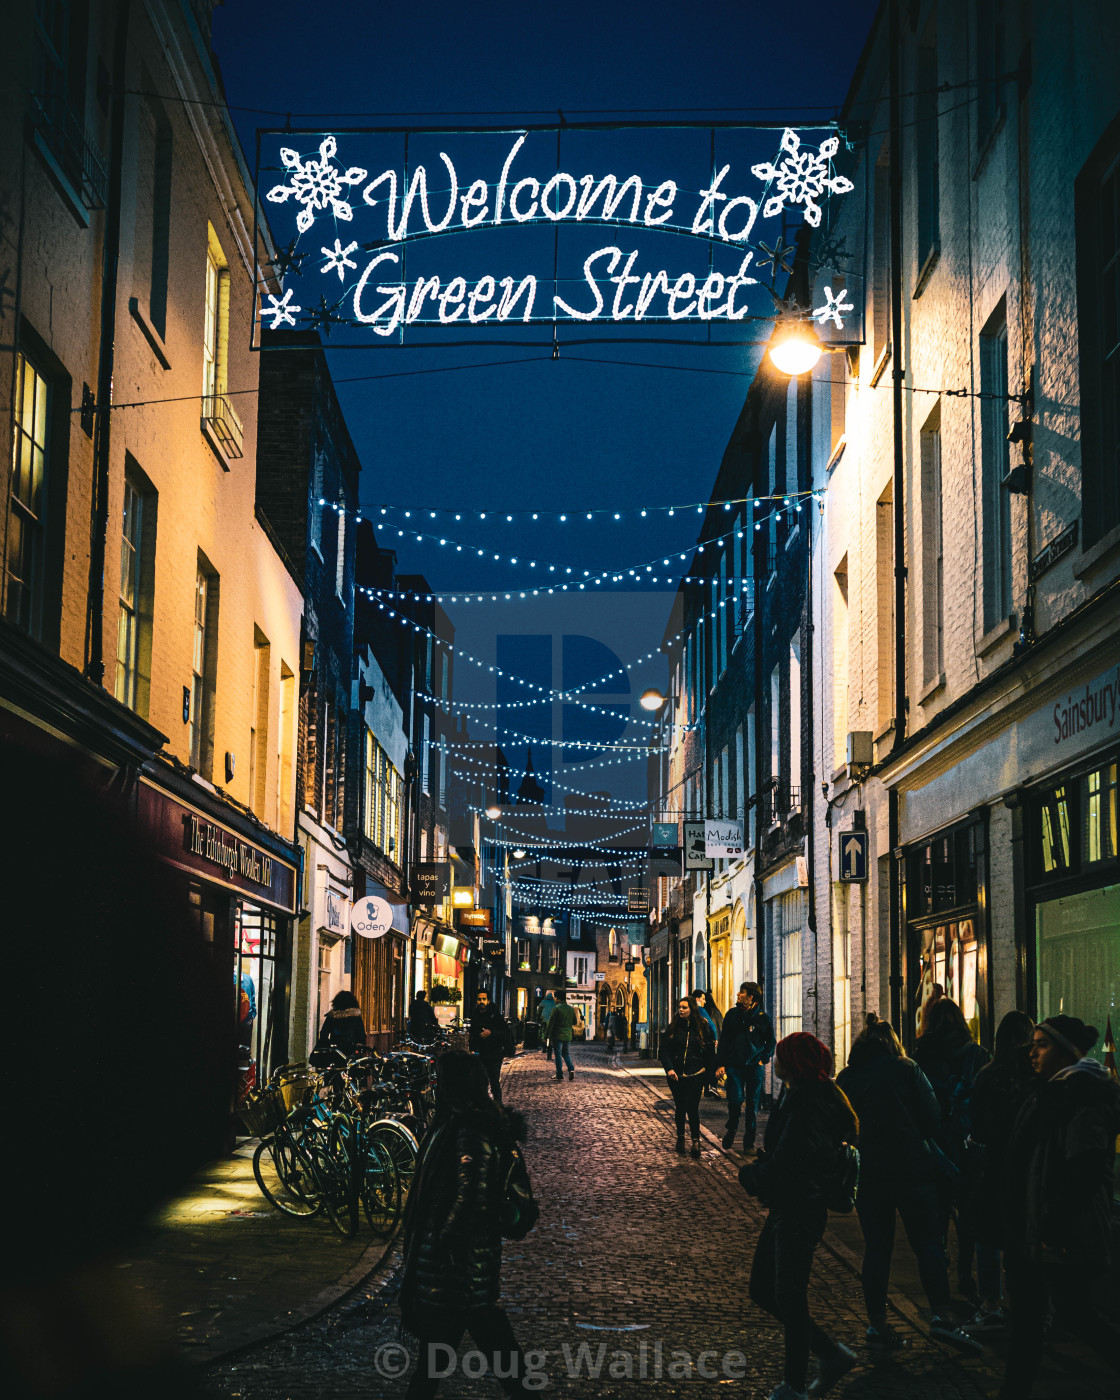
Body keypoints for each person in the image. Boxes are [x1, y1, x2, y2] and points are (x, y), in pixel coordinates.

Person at [837, 1019, 982, 1355]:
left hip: (869, 1173)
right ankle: (941, 1315)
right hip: (911, 1168)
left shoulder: (849, 1076)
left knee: (876, 1248)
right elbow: (932, 1117)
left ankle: (877, 1325)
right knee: (927, 1243)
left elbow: (842, 1124)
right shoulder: (907, 1069)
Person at [999, 1016, 1120, 1400]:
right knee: (1040, 1318)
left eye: (1042, 1045)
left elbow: (1085, 1169)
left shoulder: (1082, 1095)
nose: (1032, 1052)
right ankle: (1013, 1391)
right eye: (1032, 1043)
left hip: (1058, 1228)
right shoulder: (1051, 1090)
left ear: (1067, 1051)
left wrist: (1054, 1226)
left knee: (1066, 1314)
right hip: (1037, 1225)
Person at [399, 1052, 532, 1398]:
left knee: (440, 1361)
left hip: (458, 1270)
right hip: (464, 1273)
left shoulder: (468, 1132)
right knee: (483, 1348)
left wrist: (441, 1243)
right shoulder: (456, 1124)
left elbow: (469, 1199)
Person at [740, 1032, 859, 1400]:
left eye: (779, 1057)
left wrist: (753, 1176)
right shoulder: (799, 1096)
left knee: (790, 1296)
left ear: (792, 1063)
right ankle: (829, 1354)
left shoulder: (808, 1103)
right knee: (764, 1288)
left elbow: (791, 1160)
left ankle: (793, 1385)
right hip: (787, 1205)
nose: (773, 1062)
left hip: (800, 1208)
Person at [960, 1009, 1035, 1331]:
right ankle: (1030, 1307)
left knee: (988, 1235)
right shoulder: (1034, 1077)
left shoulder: (989, 1075)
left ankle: (992, 1304)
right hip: (1028, 1168)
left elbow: (979, 1123)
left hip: (994, 1165)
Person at [913, 996, 990, 1296]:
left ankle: (939, 1273)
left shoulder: (923, 1054)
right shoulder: (977, 1054)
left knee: (937, 1213)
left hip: (934, 1145)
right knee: (970, 1214)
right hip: (970, 1143)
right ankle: (965, 1273)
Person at [716, 982, 776, 1153]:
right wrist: (720, 1063)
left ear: (751, 997)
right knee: (735, 1099)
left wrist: (763, 1059)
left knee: (752, 1105)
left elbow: (771, 1043)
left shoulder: (762, 1018)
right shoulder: (732, 1015)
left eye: (742, 993)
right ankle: (733, 1126)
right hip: (734, 1066)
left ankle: (748, 1143)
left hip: (754, 1068)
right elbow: (724, 1041)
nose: (738, 995)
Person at [660, 994, 715, 1158]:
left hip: (696, 1073)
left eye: (684, 1007)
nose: (681, 1010)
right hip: (676, 1075)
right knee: (680, 1107)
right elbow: (664, 1050)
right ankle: (680, 1138)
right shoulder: (674, 1027)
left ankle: (696, 1141)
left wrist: (707, 1071)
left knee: (692, 1107)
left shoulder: (702, 1027)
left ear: (692, 1009)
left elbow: (709, 1050)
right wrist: (669, 1069)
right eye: (680, 1007)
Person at [468, 990, 512, 1105]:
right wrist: (472, 1048)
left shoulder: (496, 1015)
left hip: (494, 1054)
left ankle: (498, 1106)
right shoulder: (474, 1015)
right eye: (479, 999)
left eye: (483, 999)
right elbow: (472, 1034)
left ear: (488, 1001)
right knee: (480, 1082)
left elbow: (505, 1034)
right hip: (480, 1054)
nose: (481, 1002)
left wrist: (491, 1033)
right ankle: (483, 1106)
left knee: (494, 1082)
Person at [313, 989, 367, 1059]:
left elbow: (324, 1033)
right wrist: (360, 1048)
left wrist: (327, 1046)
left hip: (335, 1050)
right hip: (351, 1050)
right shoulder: (355, 1016)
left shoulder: (333, 1016)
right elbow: (361, 1034)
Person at [694, 990, 722, 1097]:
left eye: (705, 999)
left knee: (706, 1066)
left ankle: (707, 1088)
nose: (704, 1001)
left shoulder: (697, 1011)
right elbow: (714, 1027)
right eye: (703, 999)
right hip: (709, 1044)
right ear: (698, 999)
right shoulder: (706, 1011)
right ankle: (712, 1087)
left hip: (702, 1045)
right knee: (711, 1065)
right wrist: (716, 1040)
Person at [546, 990, 577, 1081]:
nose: (554, 999)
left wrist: (546, 1035)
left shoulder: (556, 1008)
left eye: (555, 998)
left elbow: (550, 1023)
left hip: (557, 1035)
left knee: (558, 1054)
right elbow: (574, 1022)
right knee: (566, 1054)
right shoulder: (571, 1009)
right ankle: (571, 1069)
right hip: (567, 1035)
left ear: (558, 998)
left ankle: (559, 1074)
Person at [537, 992, 556, 1059]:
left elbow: (539, 1010)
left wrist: (538, 1017)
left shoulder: (543, 1001)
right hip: (552, 1021)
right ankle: (550, 1046)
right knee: (551, 1034)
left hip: (544, 1019)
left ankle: (544, 1046)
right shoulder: (554, 1002)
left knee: (543, 1033)